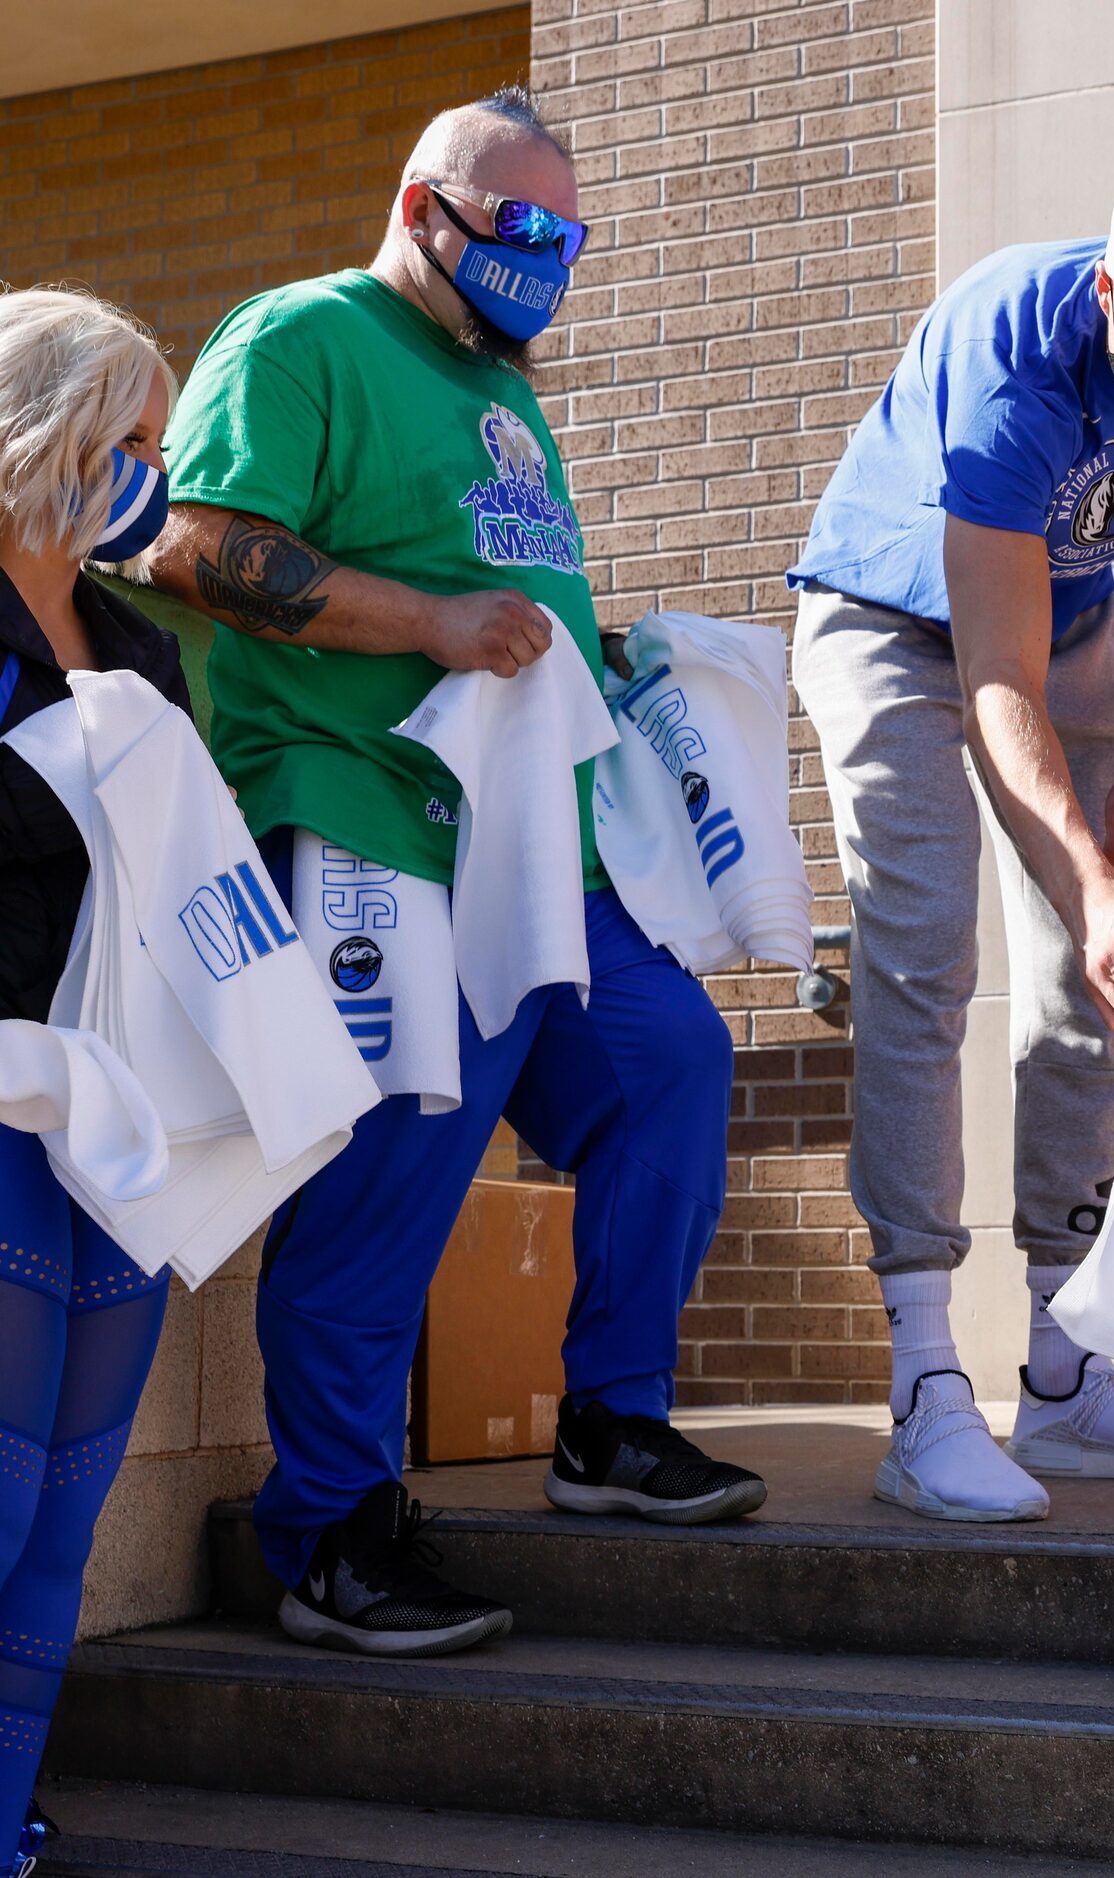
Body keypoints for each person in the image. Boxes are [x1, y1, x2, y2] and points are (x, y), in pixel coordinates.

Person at [145, 89, 758, 1660]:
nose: (546, 265)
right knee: (391, 1162)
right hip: (366, 821)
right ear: (424, 206)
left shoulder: (504, 385)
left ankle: (610, 1426)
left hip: (534, 847)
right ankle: (330, 1528)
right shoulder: (300, 339)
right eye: (520, 231)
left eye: (570, 237)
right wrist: (425, 622)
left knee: (670, 1061)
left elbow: (504, 584)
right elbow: (195, 547)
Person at [786, 161, 1114, 1521]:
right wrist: (1076, 867)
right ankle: (921, 1389)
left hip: (1078, 618)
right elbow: (992, 668)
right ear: (1105, 294)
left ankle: (1068, 1368)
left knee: (1107, 967)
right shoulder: (1009, 332)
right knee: (921, 954)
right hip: (894, 617)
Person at [0, 287, 182, 1877]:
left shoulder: (140, 648)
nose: (149, 474)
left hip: (120, 1136)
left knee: (62, 1526)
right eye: (129, 439)